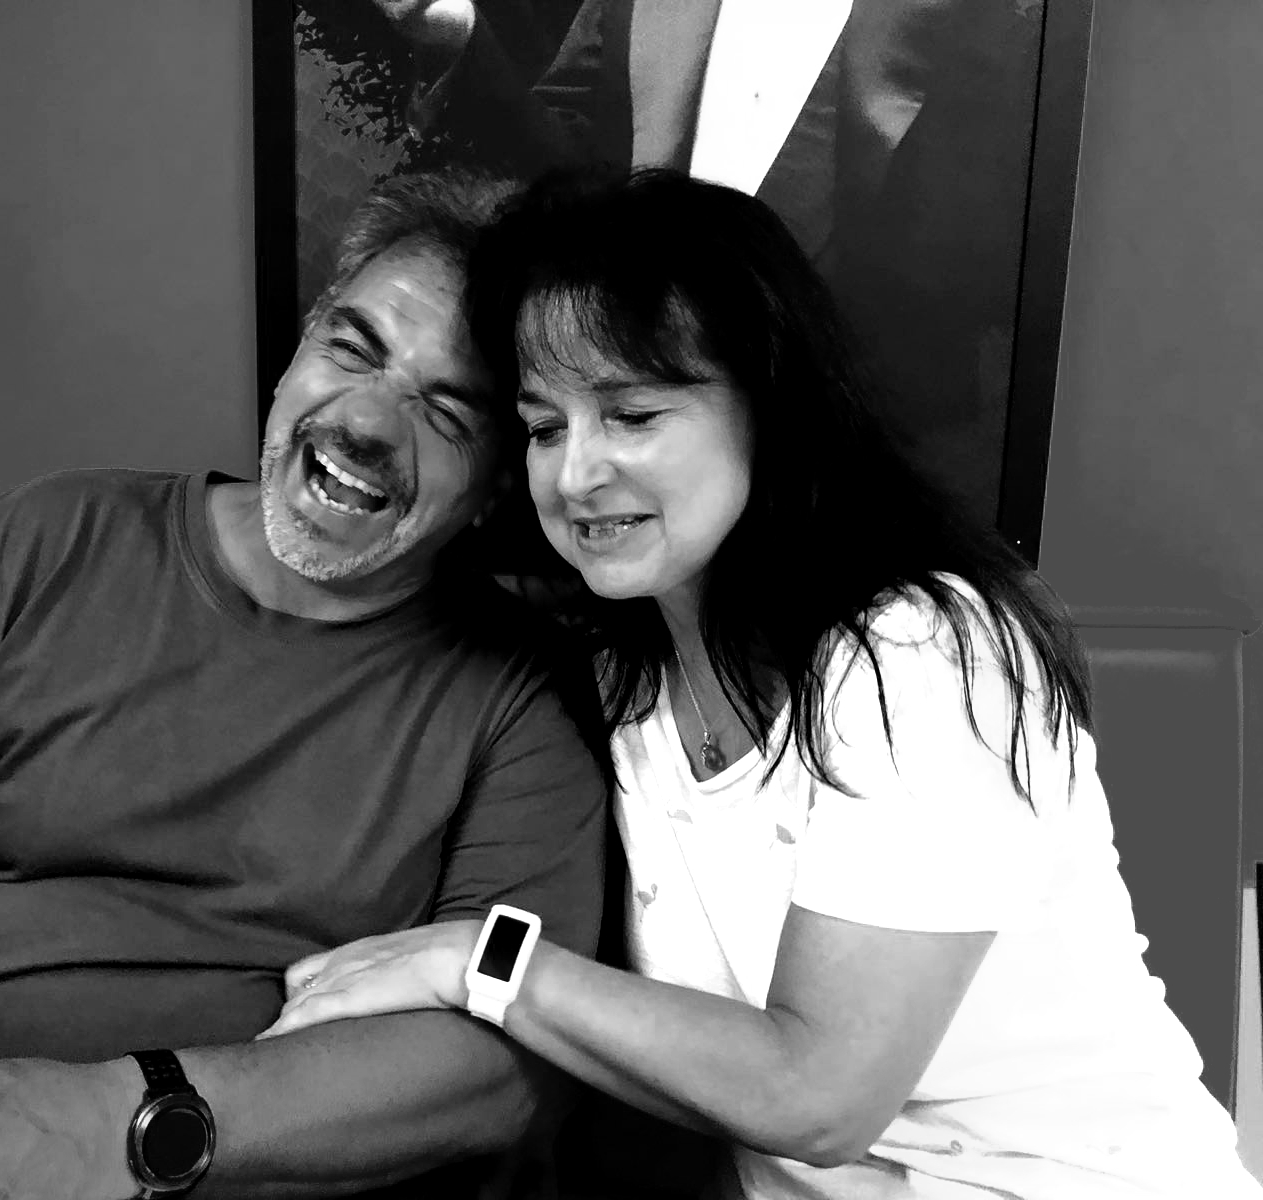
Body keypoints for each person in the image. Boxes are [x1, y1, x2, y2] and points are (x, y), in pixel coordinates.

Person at [260, 168, 1263, 1198]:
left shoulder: (926, 650)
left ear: (769, 408)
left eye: (631, 414)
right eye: (545, 427)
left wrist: (480, 961)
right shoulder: (622, 674)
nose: (575, 474)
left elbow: (819, 1096)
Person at [0, 168, 609, 1200]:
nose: (366, 424)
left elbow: (499, 1066)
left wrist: (110, 1126)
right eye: (352, 349)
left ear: (496, 487)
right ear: (299, 351)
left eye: (447, 411)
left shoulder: (521, 695)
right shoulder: (51, 536)